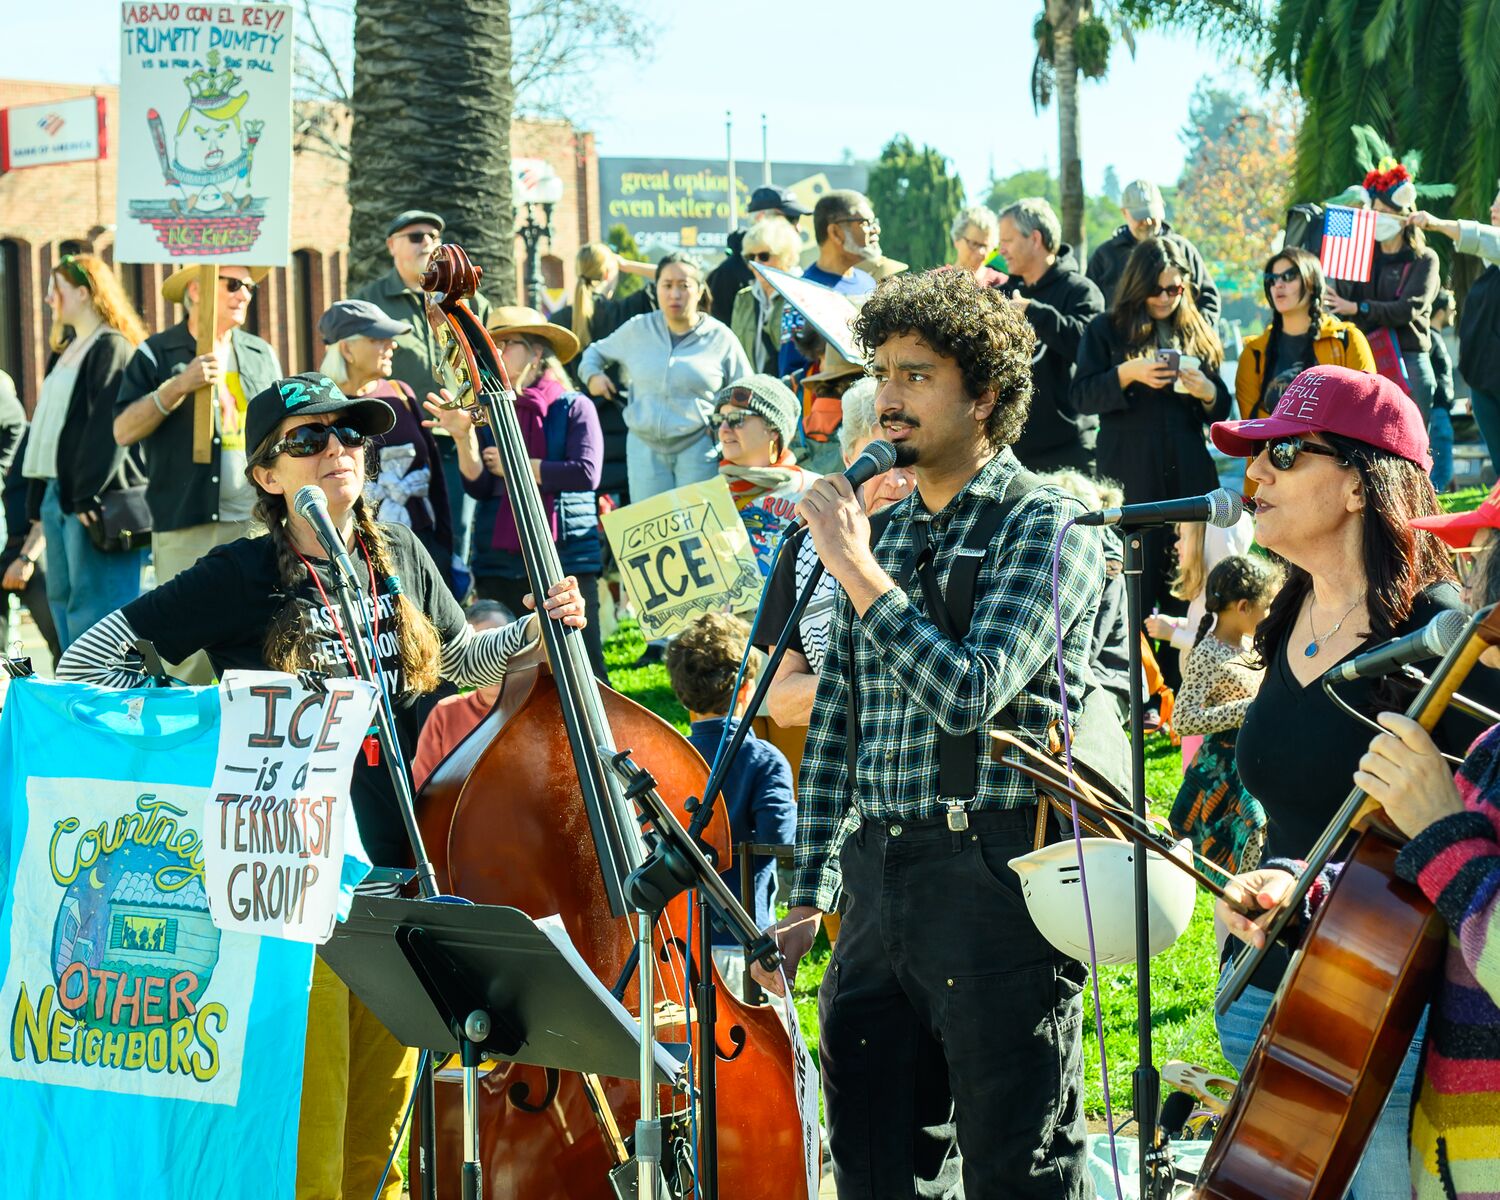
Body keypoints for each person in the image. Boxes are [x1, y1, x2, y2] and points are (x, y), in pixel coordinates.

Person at [56, 370, 587, 1200]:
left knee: (377, 1142)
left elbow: (449, 664)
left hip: (396, 881)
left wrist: (533, 634)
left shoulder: (398, 553)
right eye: (308, 440)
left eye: (349, 434)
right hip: (294, 894)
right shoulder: (238, 574)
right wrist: (204, 735)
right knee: (310, 1141)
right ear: (267, 476)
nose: (337, 450)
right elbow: (86, 661)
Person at [756, 269, 1102, 1198]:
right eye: (882, 373)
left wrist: (857, 572)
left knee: (1012, 1165)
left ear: (984, 394)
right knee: (868, 1163)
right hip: (877, 881)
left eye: (917, 375)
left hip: (990, 878)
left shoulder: (1049, 524)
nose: (888, 398)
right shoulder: (890, 528)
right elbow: (839, 726)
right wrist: (809, 888)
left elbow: (970, 691)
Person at [1205, 363, 1500, 1200]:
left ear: (1361, 486)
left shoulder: (1443, 636)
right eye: (1253, 455)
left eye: (1284, 455)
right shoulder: (1288, 609)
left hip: (1374, 1011)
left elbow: (1471, 824)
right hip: (1262, 980)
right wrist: (1264, 885)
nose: (1253, 474)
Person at [113, 263, 281, 678]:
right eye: (234, 284)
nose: (245, 293)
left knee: (258, 637)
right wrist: (178, 385)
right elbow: (122, 430)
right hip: (186, 522)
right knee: (188, 651)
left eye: (250, 286)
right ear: (197, 289)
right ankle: (190, 738)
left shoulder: (261, 353)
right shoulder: (157, 351)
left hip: (255, 522)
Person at [425, 307, 608, 680]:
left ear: (537, 352)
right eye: (492, 344)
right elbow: (479, 484)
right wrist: (463, 437)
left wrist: (520, 465)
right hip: (499, 559)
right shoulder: (490, 411)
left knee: (584, 666)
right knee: (511, 674)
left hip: (564, 554)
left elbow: (586, 474)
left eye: (507, 344)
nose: (496, 352)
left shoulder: (575, 406)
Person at [1073, 235, 1233, 620]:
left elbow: (1220, 411)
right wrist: (1127, 374)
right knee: (1131, 594)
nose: (1164, 298)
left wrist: (1207, 390)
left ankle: (1182, 676)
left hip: (1188, 472)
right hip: (1130, 473)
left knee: (1191, 590)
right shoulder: (1105, 330)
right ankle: (1136, 677)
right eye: (1155, 289)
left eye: (1175, 288)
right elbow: (1080, 396)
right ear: (1137, 286)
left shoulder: (1198, 329)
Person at [758, 378, 913, 728]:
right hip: (839, 767)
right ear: (847, 458)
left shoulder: (938, 543)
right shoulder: (804, 549)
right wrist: (879, 684)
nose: (897, 481)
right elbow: (781, 702)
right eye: (880, 463)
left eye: (909, 465)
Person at [355, 209, 493, 586]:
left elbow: (488, 357)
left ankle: (455, 616)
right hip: (398, 447)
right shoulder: (370, 303)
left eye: (434, 235)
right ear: (391, 246)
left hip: (457, 438)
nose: (428, 243)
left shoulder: (463, 296)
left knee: (457, 537)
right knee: (397, 539)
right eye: (416, 237)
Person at [17, 255, 148, 650]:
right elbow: (49, 429)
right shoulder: (65, 350)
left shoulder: (112, 346)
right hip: (61, 493)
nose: (47, 298)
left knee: (97, 607)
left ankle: (104, 701)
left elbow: (107, 427)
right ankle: (75, 698)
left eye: (55, 289)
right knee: (64, 601)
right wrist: (40, 500)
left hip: (90, 497)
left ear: (83, 292)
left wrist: (88, 491)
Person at [665, 612, 796, 996]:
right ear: (746, 689)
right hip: (744, 935)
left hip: (677, 940)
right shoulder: (765, 759)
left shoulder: (670, 754)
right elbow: (780, 839)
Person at [579, 253, 750, 504]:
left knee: (701, 534)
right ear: (656, 288)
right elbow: (593, 353)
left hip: (699, 451)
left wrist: (722, 428)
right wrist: (593, 375)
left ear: (700, 290)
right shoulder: (638, 328)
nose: (675, 294)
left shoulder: (721, 338)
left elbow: (745, 392)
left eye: (684, 286)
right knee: (652, 534)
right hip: (644, 450)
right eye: (667, 285)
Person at [317, 298, 453, 585]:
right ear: (346, 349)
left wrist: (443, 546)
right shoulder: (319, 409)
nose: (392, 345)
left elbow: (435, 475)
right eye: (378, 338)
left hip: (422, 550)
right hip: (359, 559)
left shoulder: (399, 393)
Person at [1168, 554, 1281, 882]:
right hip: (1226, 774)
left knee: (1257, 852)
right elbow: (1184, 719)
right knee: (1239, 860)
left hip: (1253, 761)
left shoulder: (1248, 644)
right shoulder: (1207, 652)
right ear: (1244, 606)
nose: (1270, 614)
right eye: (1268, 605)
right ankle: (1235, 926)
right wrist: (1248, 708)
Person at [995, 196, 1107, 472]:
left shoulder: (1081, 291)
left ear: (1035, 238)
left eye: (1007, 240)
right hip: (1012, 453)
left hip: (1070, 453)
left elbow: (1089, 347)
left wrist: (1034, 312)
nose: (1001, 249)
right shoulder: (1001, 296)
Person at [1328, 164, 1441, 425]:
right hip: (1368, 360)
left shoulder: (1424, 259)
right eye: (1374, 211)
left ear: (1404, 215)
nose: (1377, 217)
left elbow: (1407, 309)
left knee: (1412, 447)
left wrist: (1359, 308)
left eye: (1385, 212)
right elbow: (1341, 298)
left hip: (1409, 361)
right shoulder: (1362, 258)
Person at [551, 242, 657, 506]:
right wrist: (625, 263)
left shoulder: (558, 320)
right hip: (622, 425)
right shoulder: (625, 312)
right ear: (609, 273)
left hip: (575, 428)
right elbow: (669, 274)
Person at [1409, 186, 1500, 466]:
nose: (1492, 210)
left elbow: (1484, 239)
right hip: (1485, 383)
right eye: (1494, 203)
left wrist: (1435, 224)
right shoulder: (1491, 272)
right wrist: (1477, 388)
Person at [1236, 246, 1376, 423]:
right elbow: (1250, 425)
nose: (1278, 284)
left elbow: (1365, 408)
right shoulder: (1253, 351)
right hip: (1271, 449)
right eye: (1272, 279)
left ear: (1311, 283)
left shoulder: (1348, 339)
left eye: (1288, 276)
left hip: (1334, 449)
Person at [714, 375, 820, 579]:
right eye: (719, 420)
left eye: (737, 419)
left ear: (773, 430)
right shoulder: (707, 494)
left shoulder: (814, 490)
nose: (723, 429)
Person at [411, 598, 517, 789]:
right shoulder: (445, 714)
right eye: (480, 652)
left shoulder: (545, 703)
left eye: (497, 648)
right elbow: (423, 792)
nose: (490, 661)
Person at [778, 190, 881, 381]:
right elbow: (790, 373)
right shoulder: (801, 293)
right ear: (835, 232)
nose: (876, 230)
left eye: (875, 222)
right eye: (865, 223)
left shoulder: (869, 283)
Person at [1085, 179, 1221, 321]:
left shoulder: (1183, 250)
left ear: (1162, 209)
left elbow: (1208, 301)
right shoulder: (1105, 256)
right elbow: (1090, 307)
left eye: (1151, 214)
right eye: (1140, 216)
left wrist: (1194, 334)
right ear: (1125, 213)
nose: (1147, 222)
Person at [707, 184, 810, 323]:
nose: (798, 227)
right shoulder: (727, 273)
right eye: (790, 219)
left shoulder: (796, 271)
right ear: (761, 218)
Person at [729, 216, 802, 373]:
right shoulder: (743, 299)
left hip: (792, 391)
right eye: (750, 257)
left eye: (764, 256)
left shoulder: (800, 296)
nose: (756, 263)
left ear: (786, 256)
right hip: (752, 390)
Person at [1427, 289, 1456, 493]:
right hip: (1436, 410)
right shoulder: (1428, 338)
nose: (1454, 312)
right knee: (1440, 471)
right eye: (1452, 308)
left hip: (1440, 412)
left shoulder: (1433, 337)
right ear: (1441, 312)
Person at [948, 205, 1006, 287]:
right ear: (957, 240)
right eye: (974, 244)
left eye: (986, 246)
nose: (981, 252)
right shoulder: (934, 281)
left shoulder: (1001, 284)